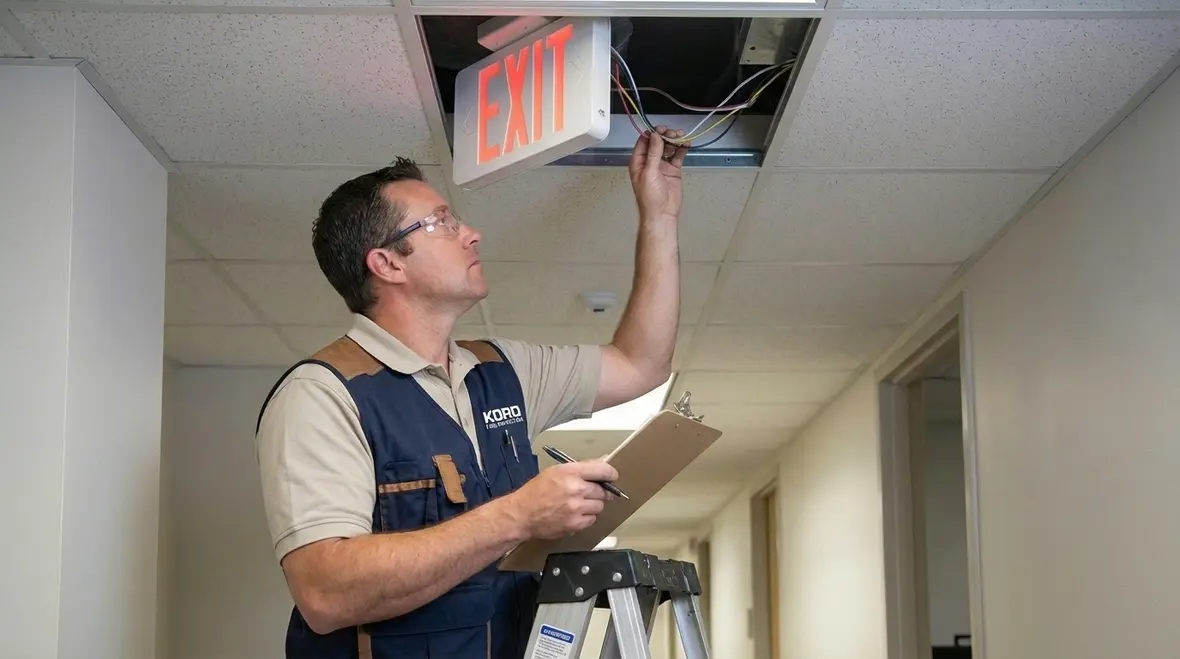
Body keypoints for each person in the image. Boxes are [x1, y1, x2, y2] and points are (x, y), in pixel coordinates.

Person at [254, 125, 689, 659]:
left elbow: (640, 365)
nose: (471, 233)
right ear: (388, 263)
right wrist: (520, 514)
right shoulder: (324, 394)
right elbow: (324, 593)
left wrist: (660, 216)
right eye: (441, 223)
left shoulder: (503, 370)